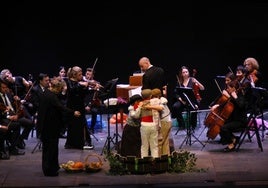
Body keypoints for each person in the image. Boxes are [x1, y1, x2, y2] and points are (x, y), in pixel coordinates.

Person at [37, 77, 81, 176]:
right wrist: (73, 112)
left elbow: (59, 100)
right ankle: (49, 170)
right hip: (49, 126)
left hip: (48, 125)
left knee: (50, 148)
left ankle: (52, 168)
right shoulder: (51, 96)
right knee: (50, 148)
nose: (61, 91)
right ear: (57, 88)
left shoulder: (48, 93)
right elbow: (61, 107)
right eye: (61, 89)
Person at [64, 66, 94, 150]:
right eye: (80, 75)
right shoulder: (69, 82)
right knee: (74, 126)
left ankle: (83, 142)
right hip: (73, 107)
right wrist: (81, 85)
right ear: (74, 75)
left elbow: (82, 94)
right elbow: (73, 90)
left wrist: (90, 88)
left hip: (80, 106)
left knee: (81, 125)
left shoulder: (79, 82)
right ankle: (75, 144)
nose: (82, 76)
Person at [216, 79, 247, 152]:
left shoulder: (241, 95)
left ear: (233, 88)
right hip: (233, 119)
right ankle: (234, 139)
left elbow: (241, 105)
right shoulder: (232, 96)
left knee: (224, 128)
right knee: (219, 125)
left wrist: (235, 97)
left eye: (228, 88)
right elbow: (225, 104)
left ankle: (231, 144)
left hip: (240, 121)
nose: (227, 89)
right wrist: (216, 106)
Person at [151, 88, 172, 156]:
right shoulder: (162, 99)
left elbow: (160, 108)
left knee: (160, 141)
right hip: (167, 121)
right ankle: (166, 159)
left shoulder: (159, 101)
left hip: (164, 122)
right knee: (165, 142)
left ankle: (158, 159)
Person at [83, 67, 102, 134]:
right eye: (87, 74)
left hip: (92, 104)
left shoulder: (95, 83)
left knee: (94, 111)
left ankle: (91, 128)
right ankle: (85, 128)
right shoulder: (83, 82)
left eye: (90, 74)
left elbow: (94, 97)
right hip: (83, 103)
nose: (88, 76)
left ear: (93, 76)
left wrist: (89, 105)